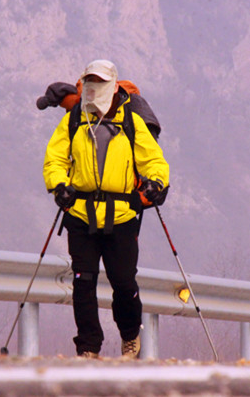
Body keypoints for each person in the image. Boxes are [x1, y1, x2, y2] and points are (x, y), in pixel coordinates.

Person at [43, 59, 169, 358]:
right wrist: (58, 185)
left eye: (99, 82)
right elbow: (55, 158)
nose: (93, 88)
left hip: (122, 215)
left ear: (113, 86)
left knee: (123, 282)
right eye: (89, 82)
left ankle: (129, 336)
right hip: (80, 214)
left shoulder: (131, 121)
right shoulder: (74, 119)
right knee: (82, 282)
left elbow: (154, 162)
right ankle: (88, 348)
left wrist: (154, 184)